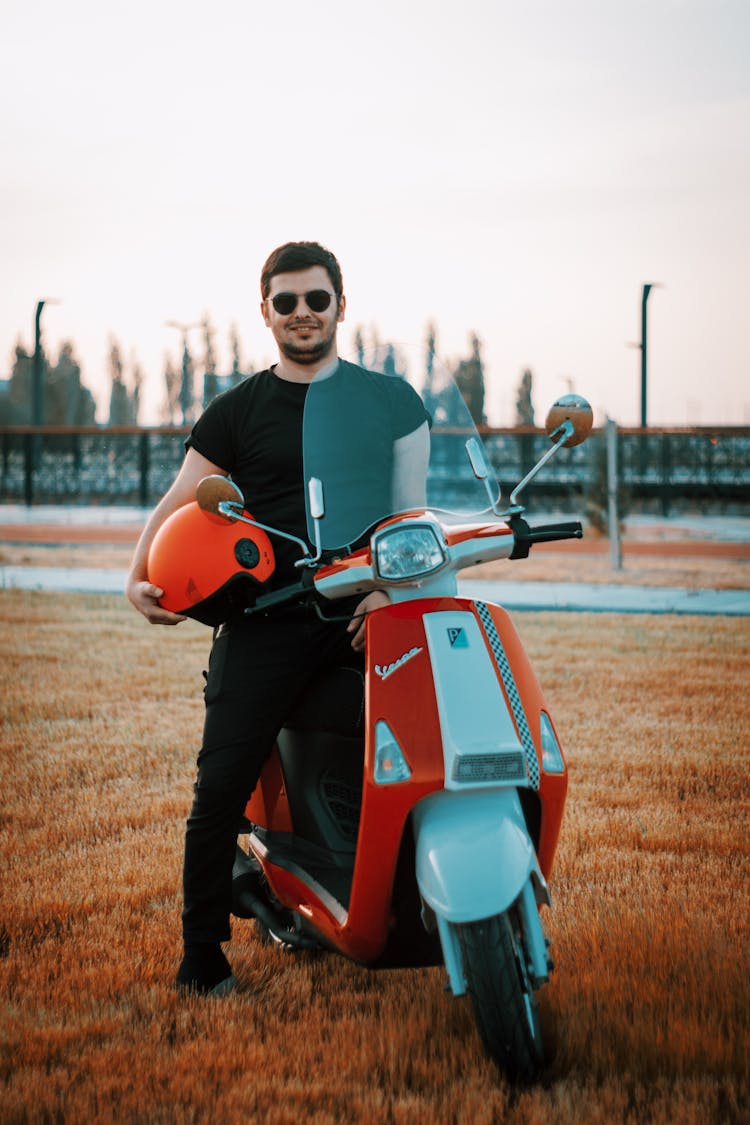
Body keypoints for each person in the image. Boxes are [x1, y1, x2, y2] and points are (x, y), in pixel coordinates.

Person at [125, 241, 430, 995]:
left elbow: (409, 516)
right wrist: (137, 574)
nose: (302, 314)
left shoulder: (392, 402)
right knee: (219, 785)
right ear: (264, 311)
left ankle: (396, 900)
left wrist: (391, 592)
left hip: (364, 612)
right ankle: (202, 955)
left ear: (340, 305)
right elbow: (179, 499)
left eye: (315, 300)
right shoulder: (237, 410)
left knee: (424, 745)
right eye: (286, 301)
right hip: (265, 619)